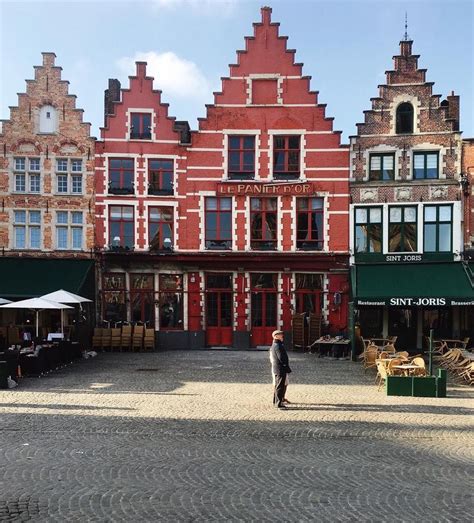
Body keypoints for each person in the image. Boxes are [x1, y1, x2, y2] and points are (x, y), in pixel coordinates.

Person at [269, 330, 292, 409]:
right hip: (280, 368)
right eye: (280, 335)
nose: (282, 336)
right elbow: (281, 358)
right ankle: (278, 403)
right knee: (280, 386)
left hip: (278, 368)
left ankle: (276, 401)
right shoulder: (278, 346)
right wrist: (286, 367)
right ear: (275, 336)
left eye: (282, 334)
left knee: (278, 386)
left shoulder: (276, 344)